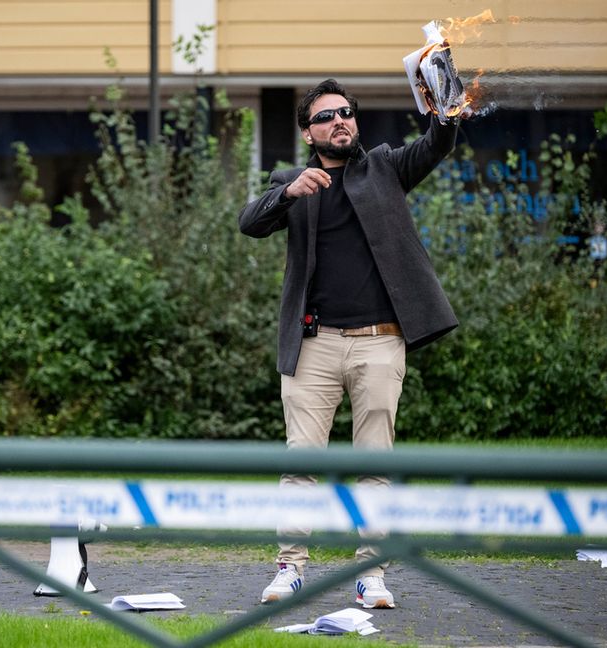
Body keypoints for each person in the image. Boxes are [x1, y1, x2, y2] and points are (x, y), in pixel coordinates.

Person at [238, 79, 460, 609]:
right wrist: (288, 192)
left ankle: (371, 575)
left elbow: (436, 144)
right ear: (308, 132)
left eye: (346, 113)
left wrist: (447, 108)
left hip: (380, 343)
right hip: (312, 345)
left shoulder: (384, 167)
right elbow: (249, 223)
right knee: (300, 463)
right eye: (325, 117)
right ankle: (290, 570)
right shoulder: (294, 182)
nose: (339, 121)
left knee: (375, 462)